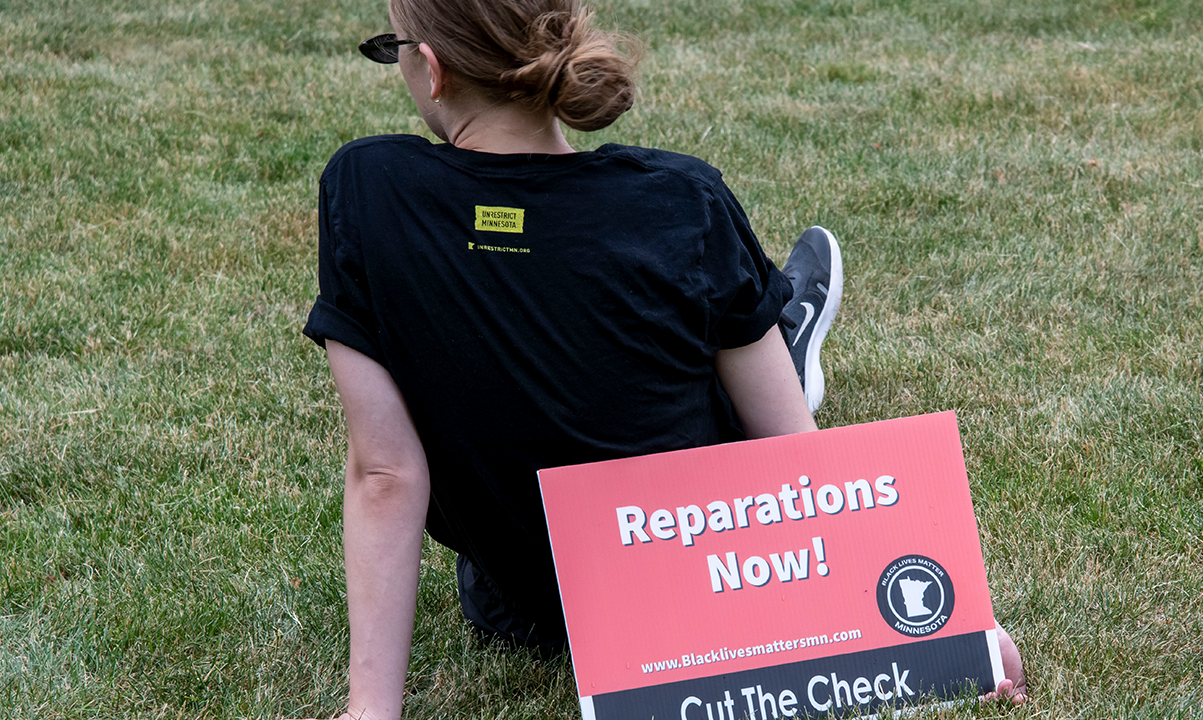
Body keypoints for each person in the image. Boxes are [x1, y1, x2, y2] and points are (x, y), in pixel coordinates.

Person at [296, 1, 1026, 718]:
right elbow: (800, 472)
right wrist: (946, 639)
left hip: (519, 602)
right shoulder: (678, 200)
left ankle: (770, 334)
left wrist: (371, 711)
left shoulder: (366, 191)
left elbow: (386, 472)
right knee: (753, 384)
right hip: (703, 589)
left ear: (429, 68)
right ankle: (778, 339)